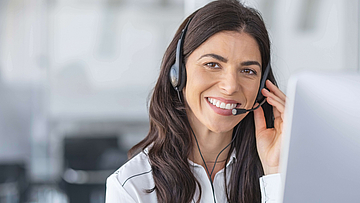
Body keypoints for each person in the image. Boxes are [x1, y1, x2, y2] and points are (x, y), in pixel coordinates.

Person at [106, 0, 286, 202]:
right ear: (178, 73)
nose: (230, 86)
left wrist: (275, 173)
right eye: (212, 64)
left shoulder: (280, 173)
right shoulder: (132, 187)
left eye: (247, 71)